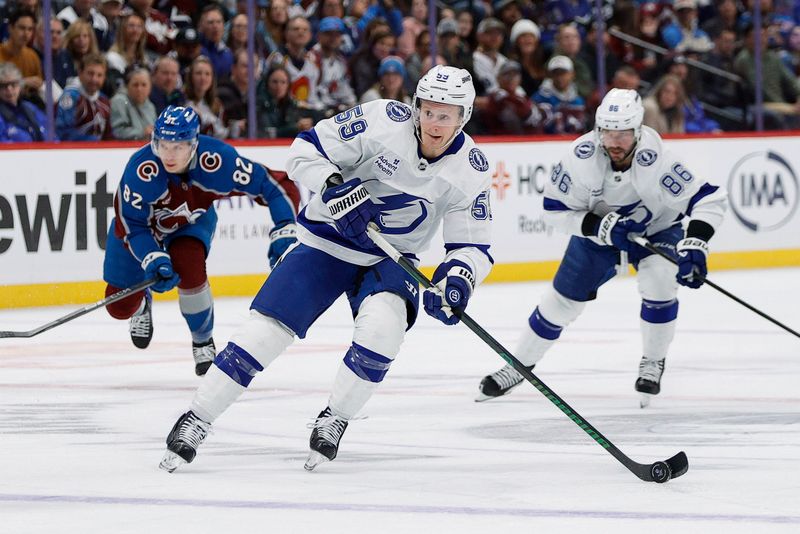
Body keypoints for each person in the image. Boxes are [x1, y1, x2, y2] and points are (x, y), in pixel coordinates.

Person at [158, 65, 492, 474]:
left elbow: (472, 244)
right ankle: (197, 418)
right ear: (415, 106)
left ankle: (336, 417)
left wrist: (458, 278)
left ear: (464, 117)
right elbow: (304, 151)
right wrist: (335, 187)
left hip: (391, 257)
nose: (434, 123)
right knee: (265, 332)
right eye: (428, 110)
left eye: (446, 114)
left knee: (382, 334)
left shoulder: (471, 167)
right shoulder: (383, 120)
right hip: (325, 242)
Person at [476, 88, 727, 407]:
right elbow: (554, 211)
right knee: (558, 304)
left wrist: (696, 245)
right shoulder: (580, 157)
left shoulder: (659, 159)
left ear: (637, 131)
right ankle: (518, 366)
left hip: (656, 231)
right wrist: (600, 226)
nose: (614, 141)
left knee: (660, 281)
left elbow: (709, 198)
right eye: (608, 131)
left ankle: (653, 361)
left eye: (623, 133)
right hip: (598, 237)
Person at [102, 105, 300, 378]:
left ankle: (202, 338)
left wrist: (286, 228)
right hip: (141, 231)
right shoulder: (141, 171)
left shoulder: (218, 161)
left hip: (191, 224)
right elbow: (133, 225)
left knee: (191, 271)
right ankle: (141, 304)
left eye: (178, 147)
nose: (169, 155)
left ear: (194, 144)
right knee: (118, 306)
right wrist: (152, 257)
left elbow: (274, 185)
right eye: (163, 145)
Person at [0, 62, 45, 142]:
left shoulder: (30, 108)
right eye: (4, 86)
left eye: (13, 84)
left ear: (20, 86)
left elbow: (50, 133)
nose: (9, 89)